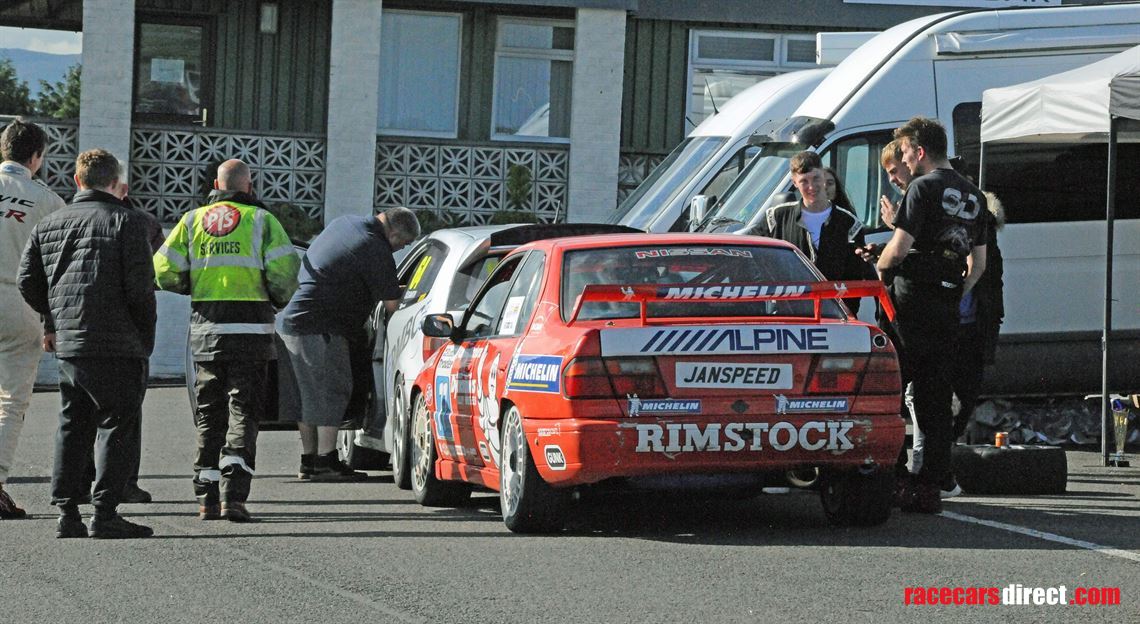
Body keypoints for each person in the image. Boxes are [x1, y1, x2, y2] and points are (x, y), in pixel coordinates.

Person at [18, 149, 156, 538]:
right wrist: (144, 337)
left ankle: (67, 512)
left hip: (71, 343)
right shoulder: (128, 223)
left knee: (72, 423)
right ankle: (105, 512)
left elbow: (26, 279)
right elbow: (141, 290)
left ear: (78, 181)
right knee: (117, 424)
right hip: (117, 343)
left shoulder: (50, 223)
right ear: (116, 183)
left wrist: (53, 317)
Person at [153, 159, 299, 522]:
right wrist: (275, 300)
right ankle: (234, 497)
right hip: (251, 334)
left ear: (216, 184)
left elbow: (163, 270)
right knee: (244, 414)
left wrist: (192, 286)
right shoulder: (263, 221)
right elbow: (285, 272)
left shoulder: (191, 221)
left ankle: (206, 499)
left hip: (207, 332)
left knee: (208, 416)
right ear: (250, 186)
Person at [873, 117, 988, 514]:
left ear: (920, 152)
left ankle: (893, 474)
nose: (905, 158)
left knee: (890, 385)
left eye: (905, 152)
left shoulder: (922, 187)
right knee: (935, 395)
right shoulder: (975, 196)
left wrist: (880, 274)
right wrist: (955, 292)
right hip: (946, 302)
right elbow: (979, 264)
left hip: (910, 300)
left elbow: (899, 249)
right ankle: (932, 482)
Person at [279, 207, 420, 481]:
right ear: (392, 233)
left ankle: (310, 461)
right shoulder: (374, 247)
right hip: (321, 327)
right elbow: (393, 305)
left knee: (307, 395)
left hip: (293, 321)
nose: (400, 249)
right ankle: (326, 461)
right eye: (402, 244)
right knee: (334, 390)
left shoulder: (345, 222)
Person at [0, 119, 66, 520]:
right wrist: (53, 323)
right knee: (10, 400)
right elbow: (53, 271)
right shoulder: (48, 201)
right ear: (37, 157)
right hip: (18, 301)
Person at [747, 151, 868, 313]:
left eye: (816, 178)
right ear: (794, 183)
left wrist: (847, 314)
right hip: (790, 316)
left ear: (824, 176)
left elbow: (855, 278)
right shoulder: (776, 218)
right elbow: (750, 253)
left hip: (834, 316)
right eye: (804, 181)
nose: (811, 187)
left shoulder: (849, 224)